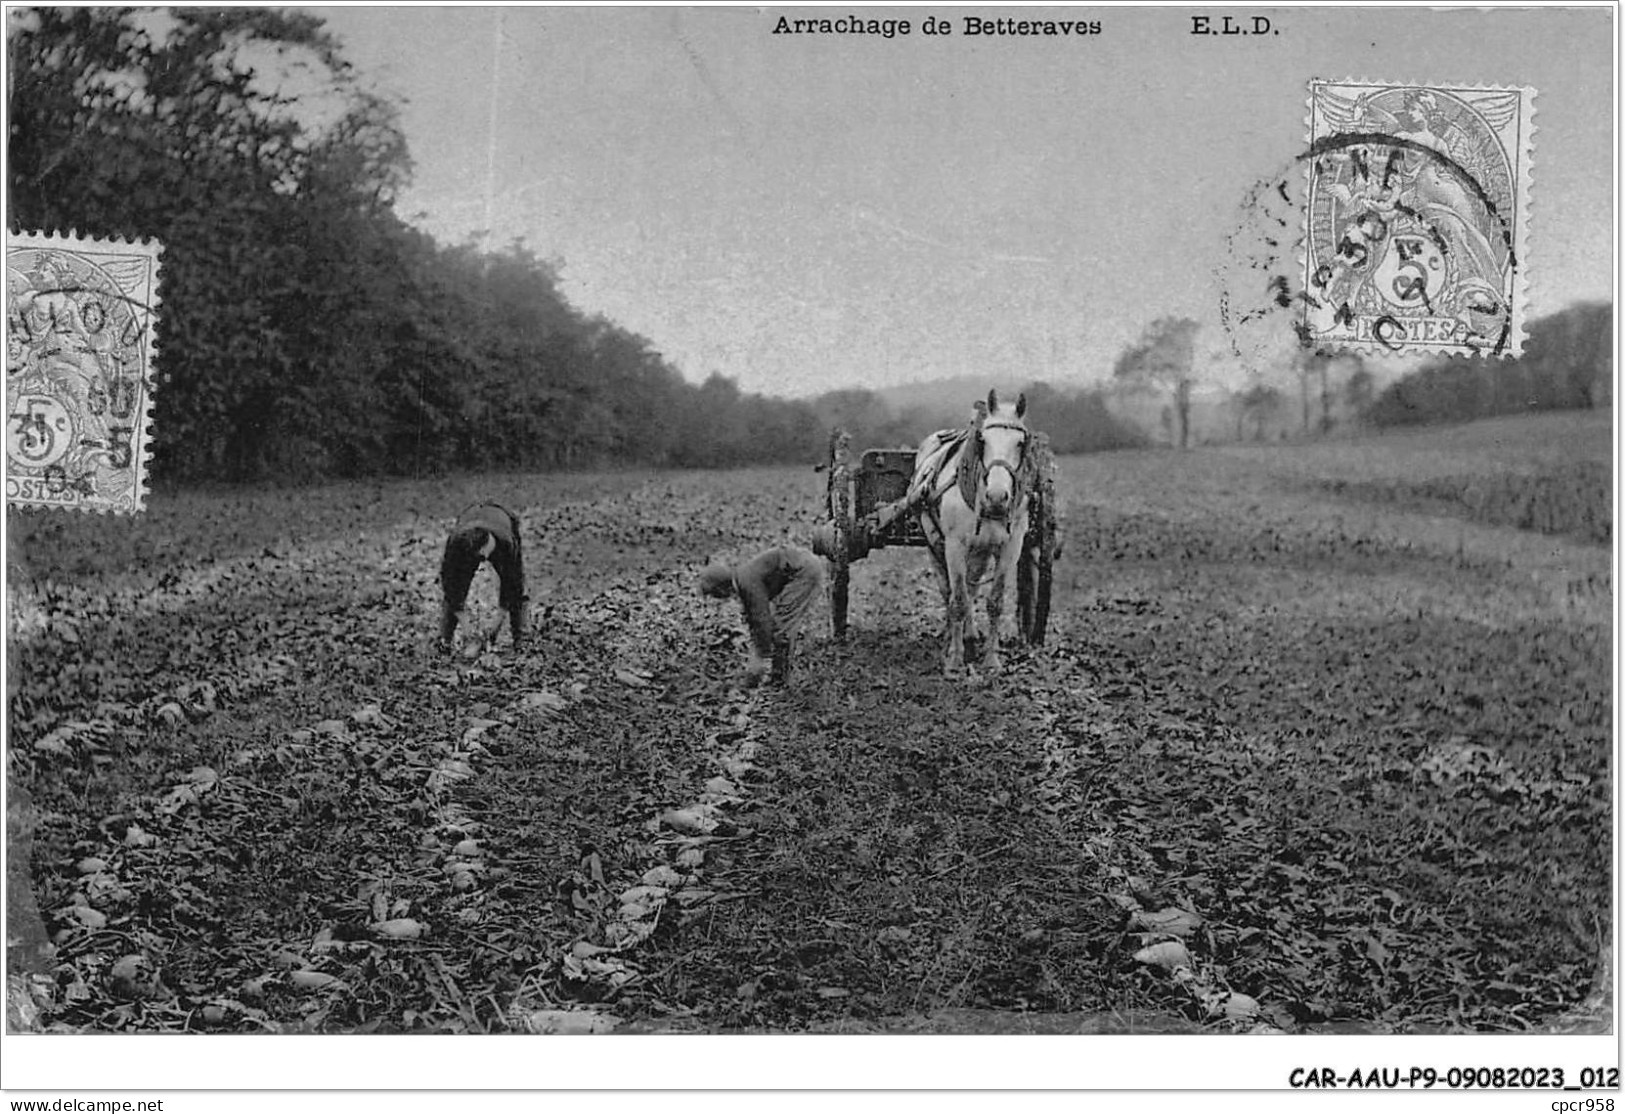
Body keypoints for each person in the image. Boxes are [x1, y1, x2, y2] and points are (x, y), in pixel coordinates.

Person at [699, 545, 826, 686]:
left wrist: (759, 659)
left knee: (782, 628)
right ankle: (778, 676)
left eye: (715, 594)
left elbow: (761, 619)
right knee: (779, 626)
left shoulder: (747, 582)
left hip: (803, 572)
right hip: (800, 566)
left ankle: (780, 681)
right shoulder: (743, 578)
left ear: (721, 589)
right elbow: (754, 619)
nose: (720, 599)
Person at [439, 502, 527, 652]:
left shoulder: (506, 542)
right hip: (469, 516)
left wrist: (497, 623)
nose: (483, 559)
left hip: (502, 517)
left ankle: (521, 639)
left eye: (483, 553)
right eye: (477, 556)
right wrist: (465, 625)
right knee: (456, 586)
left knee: (516, 587)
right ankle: (445, 641)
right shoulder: (457, 543)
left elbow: (512, 583)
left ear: (488, 540)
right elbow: (450, 583)